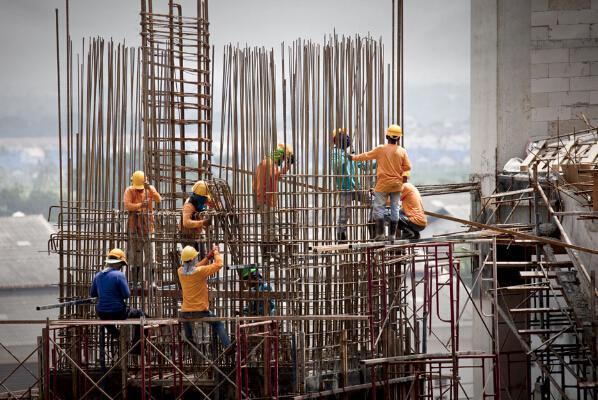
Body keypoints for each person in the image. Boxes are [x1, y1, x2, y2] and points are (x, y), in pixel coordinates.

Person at [350, 124, 411, 242]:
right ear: (398, 138)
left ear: (387, 136)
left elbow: (366, 156)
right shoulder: (402, 151)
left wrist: (353, 158)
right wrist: (404, 177)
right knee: (395, 208)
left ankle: (381, 234)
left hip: (383, 184)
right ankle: (392, 235)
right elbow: (407, 167)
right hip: (397, 185)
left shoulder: (380, 149)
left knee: (379, 208)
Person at [90, 248, 145, 361]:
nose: (121, 267)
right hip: (118, 312)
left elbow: (93, 293)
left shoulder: (98, 275)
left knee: (106, 318)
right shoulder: (119, 275)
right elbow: (126, 295)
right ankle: (137, 348)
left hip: (102, 313)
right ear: (118, 263)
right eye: (121, 265)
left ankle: (116, 333)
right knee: (141, 316)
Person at [178, 244, 231, 349]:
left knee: (183, 317)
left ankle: (190, 340)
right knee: (218, 324)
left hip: (186, 312)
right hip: (200, 311)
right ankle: (228, 346)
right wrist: (215, 252)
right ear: (193, 259)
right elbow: (219, 264)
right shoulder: (200, 272)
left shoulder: (180, 271)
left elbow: (193, 268)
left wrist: (207, 257)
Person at [253, 143, 294, 260]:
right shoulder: (270, 163)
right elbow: (276, 176)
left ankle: (266, 252)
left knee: (267, 227)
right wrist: (287, 165)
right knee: (272, 226)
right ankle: (272, 250)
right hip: (267, 200)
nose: (283, 161)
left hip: (261, 200)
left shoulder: (265, 162)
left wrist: (287, 166)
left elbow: (273, 177)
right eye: (283, 158)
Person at [330, 128, 371, 242]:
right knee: (344, 216)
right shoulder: (334, 153)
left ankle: (374, 227)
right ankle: (341, 237)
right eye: (343, 136)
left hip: (356, 188)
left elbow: (364, 166)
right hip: (345, 189)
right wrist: (346, 157)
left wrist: (378, 161)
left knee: (374, 202)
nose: (347, 138)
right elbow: (336, 165)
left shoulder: (349, 154)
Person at [123, 170, 161, 286]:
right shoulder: (129, 190)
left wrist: (150, 188)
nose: (139, 189)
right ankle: (136, 281)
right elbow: (127, 205)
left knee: (151, 256)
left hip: (148, 228)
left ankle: (151, 281)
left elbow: (158, 199)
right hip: (134, 228)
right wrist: (140, 205)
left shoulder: (149, 190)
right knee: (136, 256)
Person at [181, 180, 213, 256]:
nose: (205, 199)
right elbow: (186, 223)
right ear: (198, 196)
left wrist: (215, 205)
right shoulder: (189, 205)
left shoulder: (201, 200)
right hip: (187, 235)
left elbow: (213, 203)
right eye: (204, 197)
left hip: (197, 233)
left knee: (202, 256)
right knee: (191, 259)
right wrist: (203, 222)